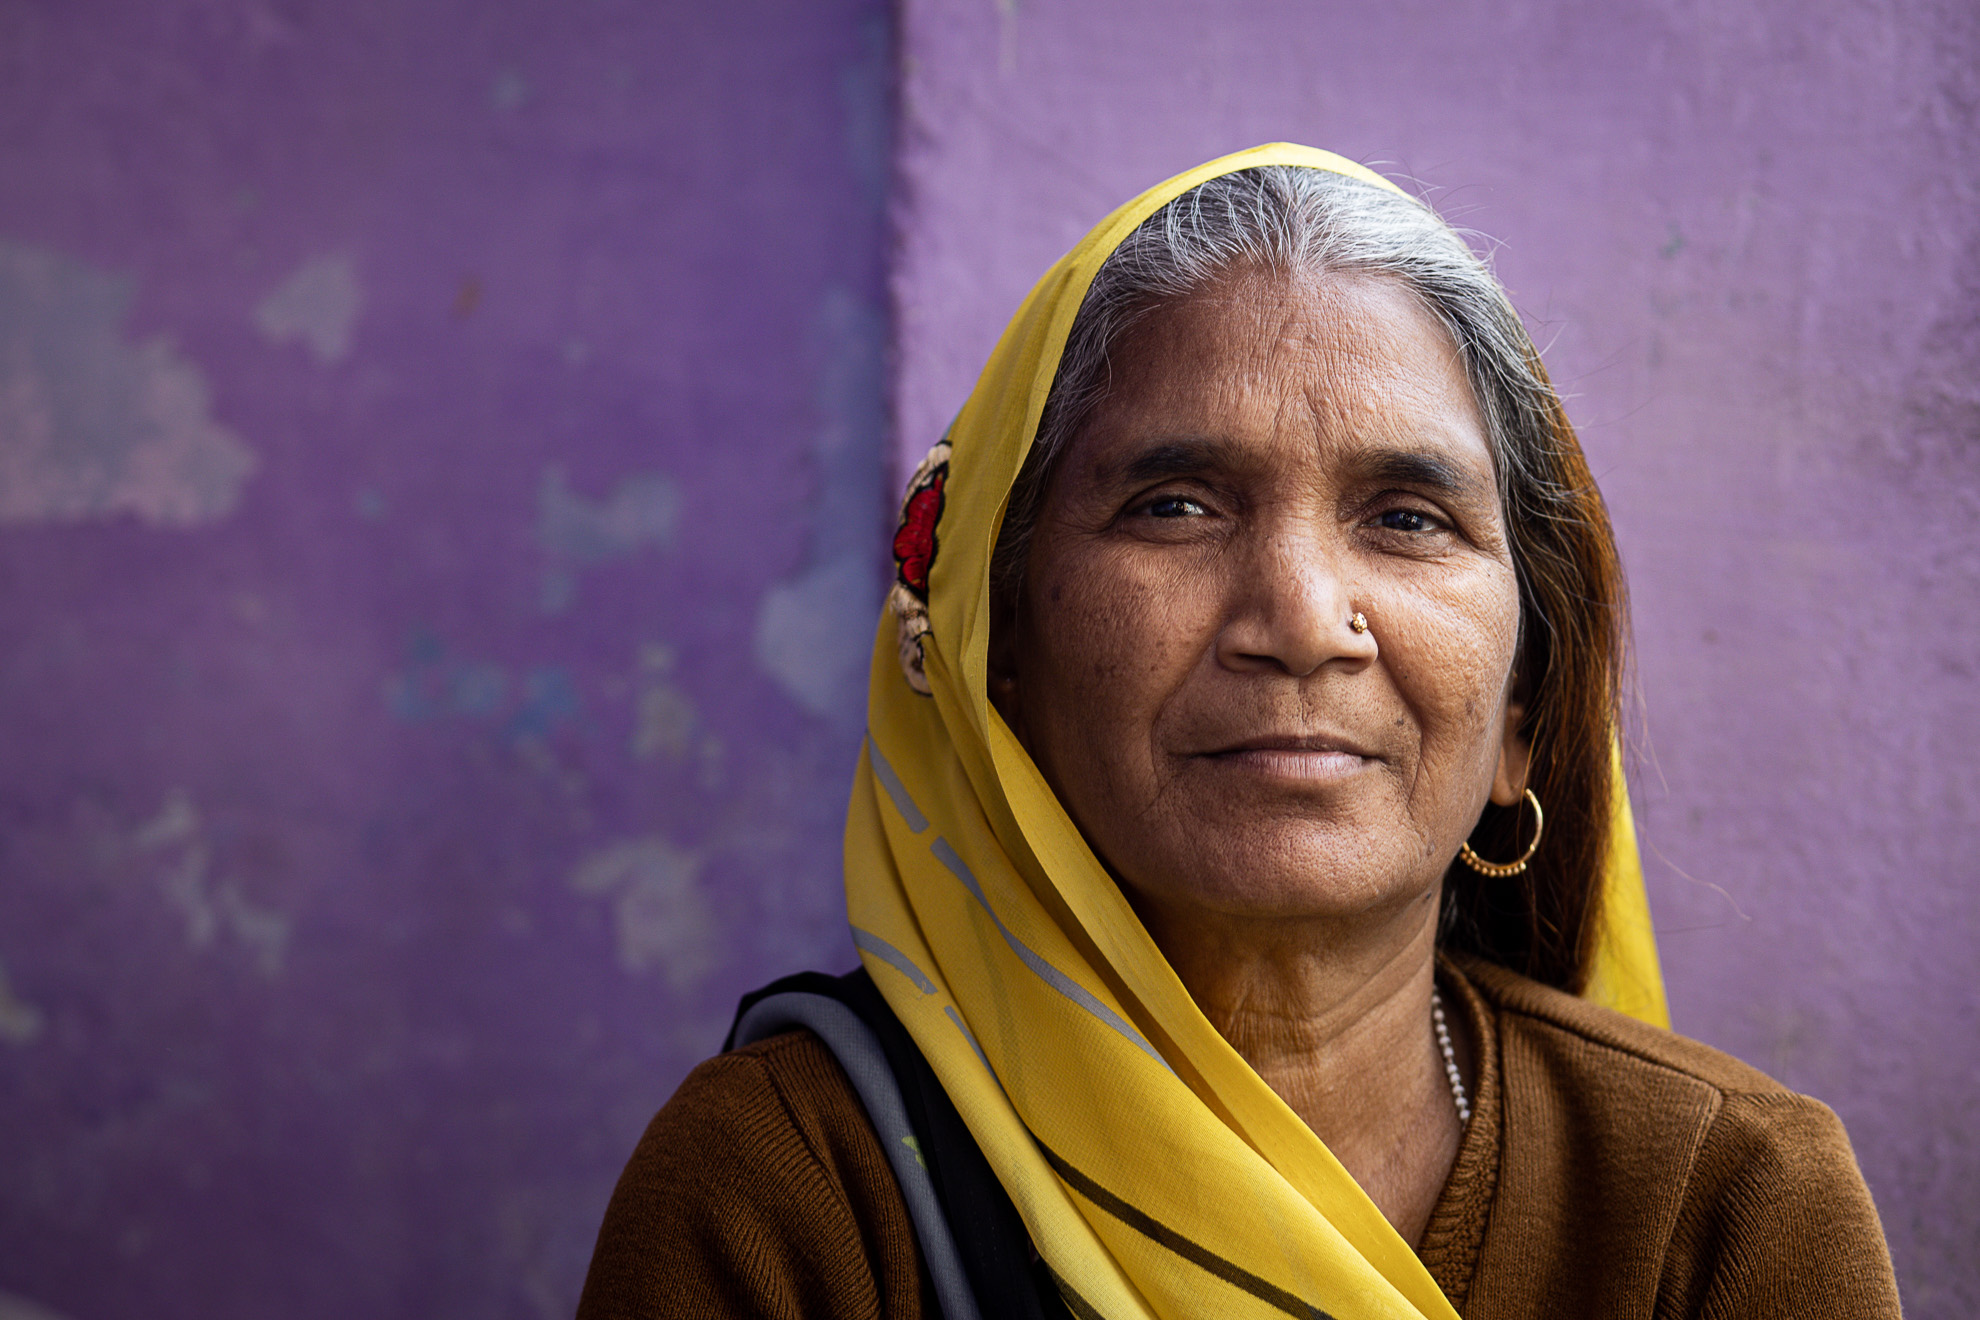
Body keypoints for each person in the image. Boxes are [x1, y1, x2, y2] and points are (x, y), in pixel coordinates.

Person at [576, 145, 1900, 1319]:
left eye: (1407, 518)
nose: (1303, 619)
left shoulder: (1722, 1202)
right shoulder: (790, 1192)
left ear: (1519, 723)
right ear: (999, 654)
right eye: (1176, 505)